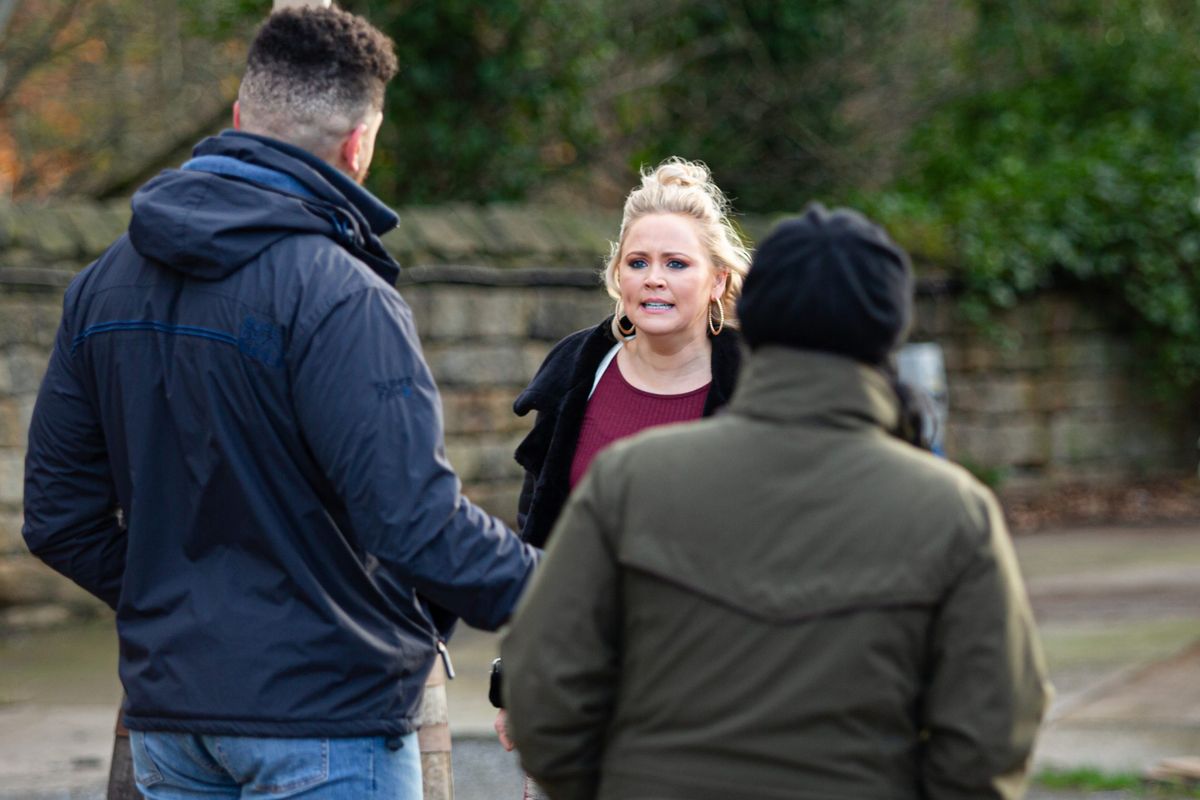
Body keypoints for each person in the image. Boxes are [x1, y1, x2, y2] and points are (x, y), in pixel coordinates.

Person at [22, 7, 537, 799]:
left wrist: (180, 609)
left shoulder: (100, 285)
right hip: (325, 719)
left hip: (175, 723)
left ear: (238, 117)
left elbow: (58, 517)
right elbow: (418, 528)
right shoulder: (339, 296)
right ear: (358, 145)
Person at [500, 204, 1052, 800]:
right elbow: (994, 729)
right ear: (890, 331)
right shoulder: (953, 513)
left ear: (747, 311)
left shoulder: (630, 481)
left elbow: (543, 690)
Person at [492, 158, 751, 797]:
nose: (654, 280)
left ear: (719, 279)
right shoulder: (580, 372)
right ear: (616, 276)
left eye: (676, 264)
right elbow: (540, 545)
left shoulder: (761, 386)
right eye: (638, 263)